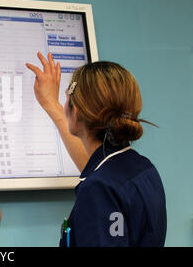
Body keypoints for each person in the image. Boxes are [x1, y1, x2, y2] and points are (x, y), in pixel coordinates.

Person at [26, 52, 167, 247]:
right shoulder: (142, 168)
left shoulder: (99, 189)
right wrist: (51, 104)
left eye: (67, 98)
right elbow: (98, 170)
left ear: (76, 112)